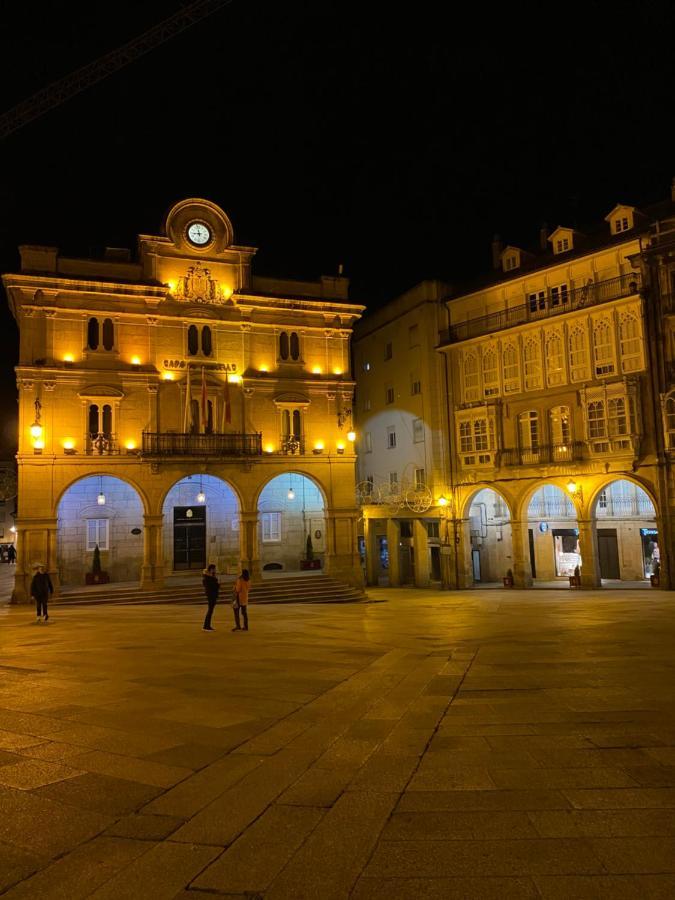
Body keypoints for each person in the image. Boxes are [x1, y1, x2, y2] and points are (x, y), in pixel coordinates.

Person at [202, 564, 219, 631]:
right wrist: (217, 583)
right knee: (210, 611)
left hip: (212, 595)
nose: (215, 570)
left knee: (210, 611)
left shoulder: (210, 577)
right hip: (211, 595)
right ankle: (206, 626)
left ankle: (207, 625)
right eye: (214, 569)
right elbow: (213, 586)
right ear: (211, 569)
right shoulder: (208, 578)